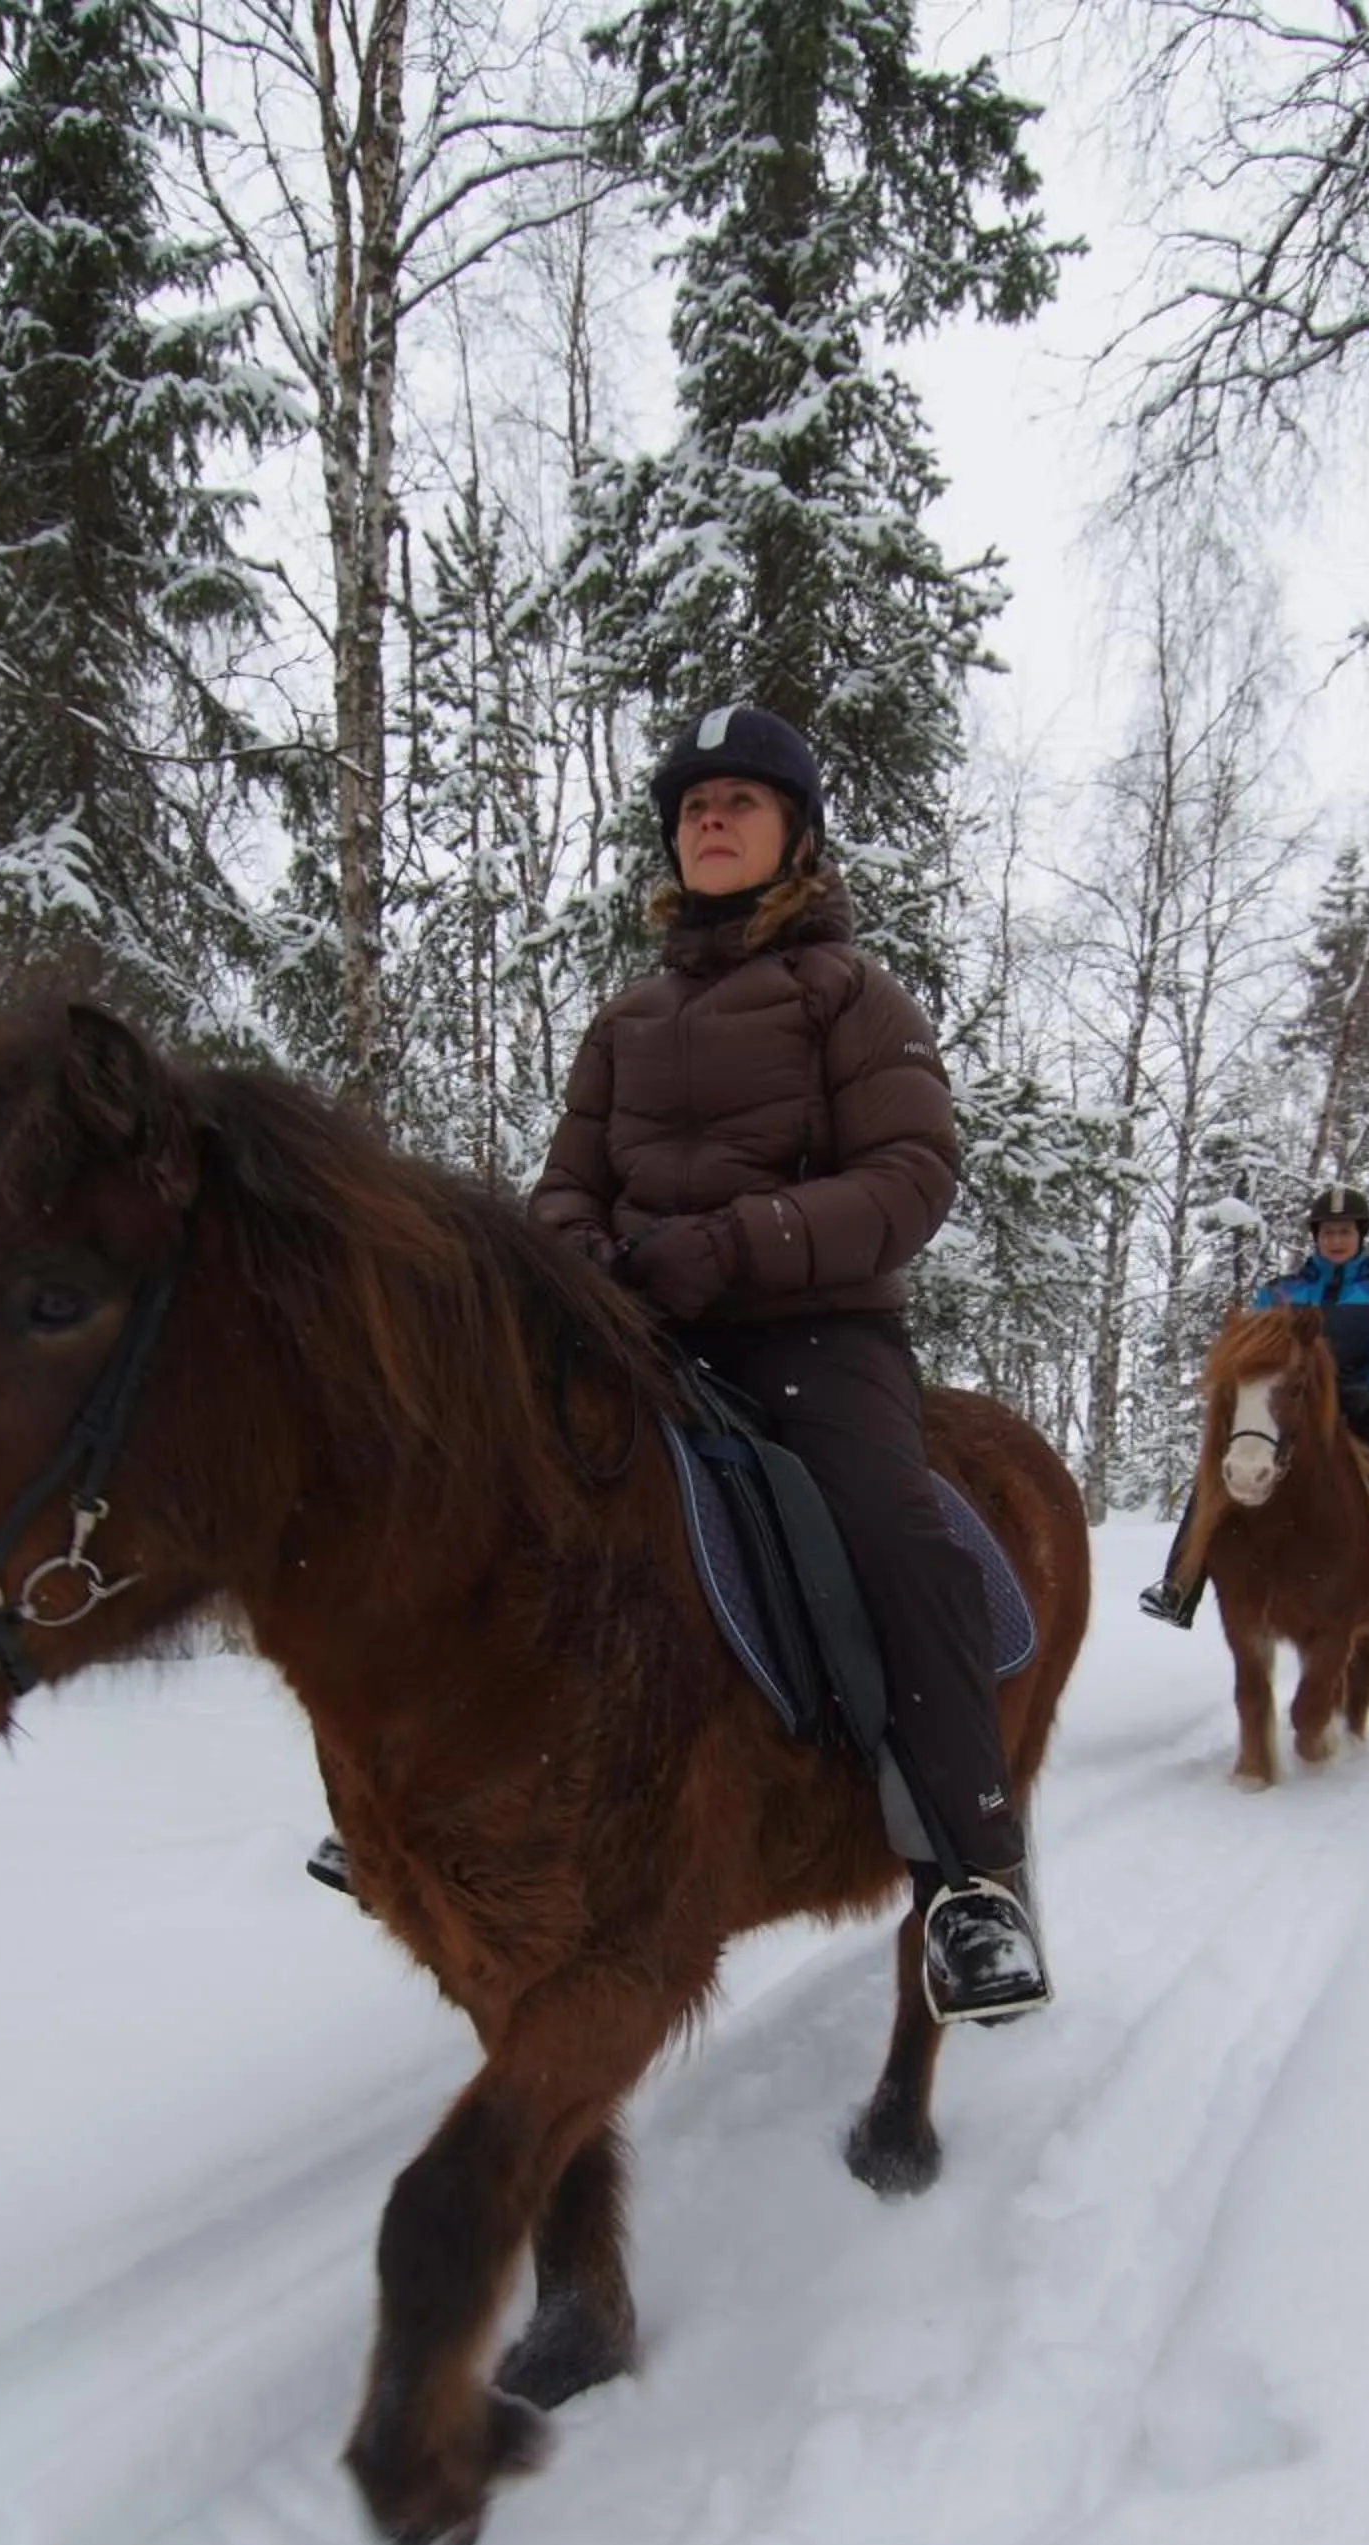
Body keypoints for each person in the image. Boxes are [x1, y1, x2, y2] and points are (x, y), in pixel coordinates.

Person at [522, 700, 1052, 2027]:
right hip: (634, 1332)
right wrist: (592, 1261)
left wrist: (738, 1242)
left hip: (816, 1332)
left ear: (797, 837)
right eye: (693, 804)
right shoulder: (624, 1019)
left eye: (740, 801)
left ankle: (974, 1872)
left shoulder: (852, 996)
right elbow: (561, 1188)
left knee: (891, 1529)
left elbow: (913, 1175)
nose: (710, 817)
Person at [1138, 1184, 1369, 1666]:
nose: (1337, 1240)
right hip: (1287, 1411)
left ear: (1360, 1235)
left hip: (1361, 1410)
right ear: (1316, 1237)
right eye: (1328, 1232)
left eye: (1346, 1231)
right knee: (1215, 1475)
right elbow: (1252, 1353)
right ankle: (1179, 1586)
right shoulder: (1280, 1292)